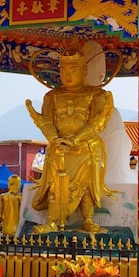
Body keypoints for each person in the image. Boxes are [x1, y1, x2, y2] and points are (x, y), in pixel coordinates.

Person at [26, 46, 116, 233]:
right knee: (54, 185)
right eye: (63, 70)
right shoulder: (52, 96)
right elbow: (46, 121)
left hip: (85, 148)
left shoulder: (96, 95)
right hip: (59, 148)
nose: (67, 75)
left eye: (73, 70)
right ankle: (52, 220)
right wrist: (55, 139)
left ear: (84, 71)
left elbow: (98, 121)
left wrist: (76, 139)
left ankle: (88, 219)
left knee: (85, 187)